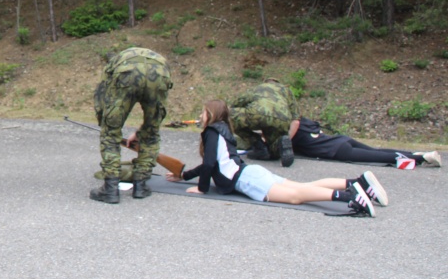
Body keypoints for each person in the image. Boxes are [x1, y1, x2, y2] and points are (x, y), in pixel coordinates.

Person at [166, 100, 385, 216]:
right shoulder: (223, 129)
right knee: (303, 187)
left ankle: (350, 197)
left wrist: (202, 188)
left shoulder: (211, 132)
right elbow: (212, 163)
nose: (201, 116)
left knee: (296, 196)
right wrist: (184, 176)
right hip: (251, 173)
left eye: (203, 112)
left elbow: (210, 163)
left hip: (247, 179)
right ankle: (357, 183)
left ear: (211, 114)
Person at [90, 46, 172, 203]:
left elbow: (100, 93)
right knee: (151, 133)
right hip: (160, 72)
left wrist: (105, 122)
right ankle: (141, 186)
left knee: (110, 133)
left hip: (126, 74)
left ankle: (110, 189)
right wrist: (142, 132)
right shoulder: (155, 57)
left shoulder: (115, 63)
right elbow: (156, 118)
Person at [290, 116, 442, 168]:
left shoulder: (290, 133)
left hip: (338, 150)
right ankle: (416, 154)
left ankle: (422, 158)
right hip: (341, 139)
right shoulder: (301, 119)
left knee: (378, 157)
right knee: (376, 152)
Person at [230, 80, 299, 167]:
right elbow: (296, 120)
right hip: (282, 119)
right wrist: (287, 137)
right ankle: (279, 143)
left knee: (230, 115)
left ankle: (258, 145)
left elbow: (236, 103)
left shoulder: (258, 87)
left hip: (257, 114)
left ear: (266, 82)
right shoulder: (286, 91)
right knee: (273, 152)